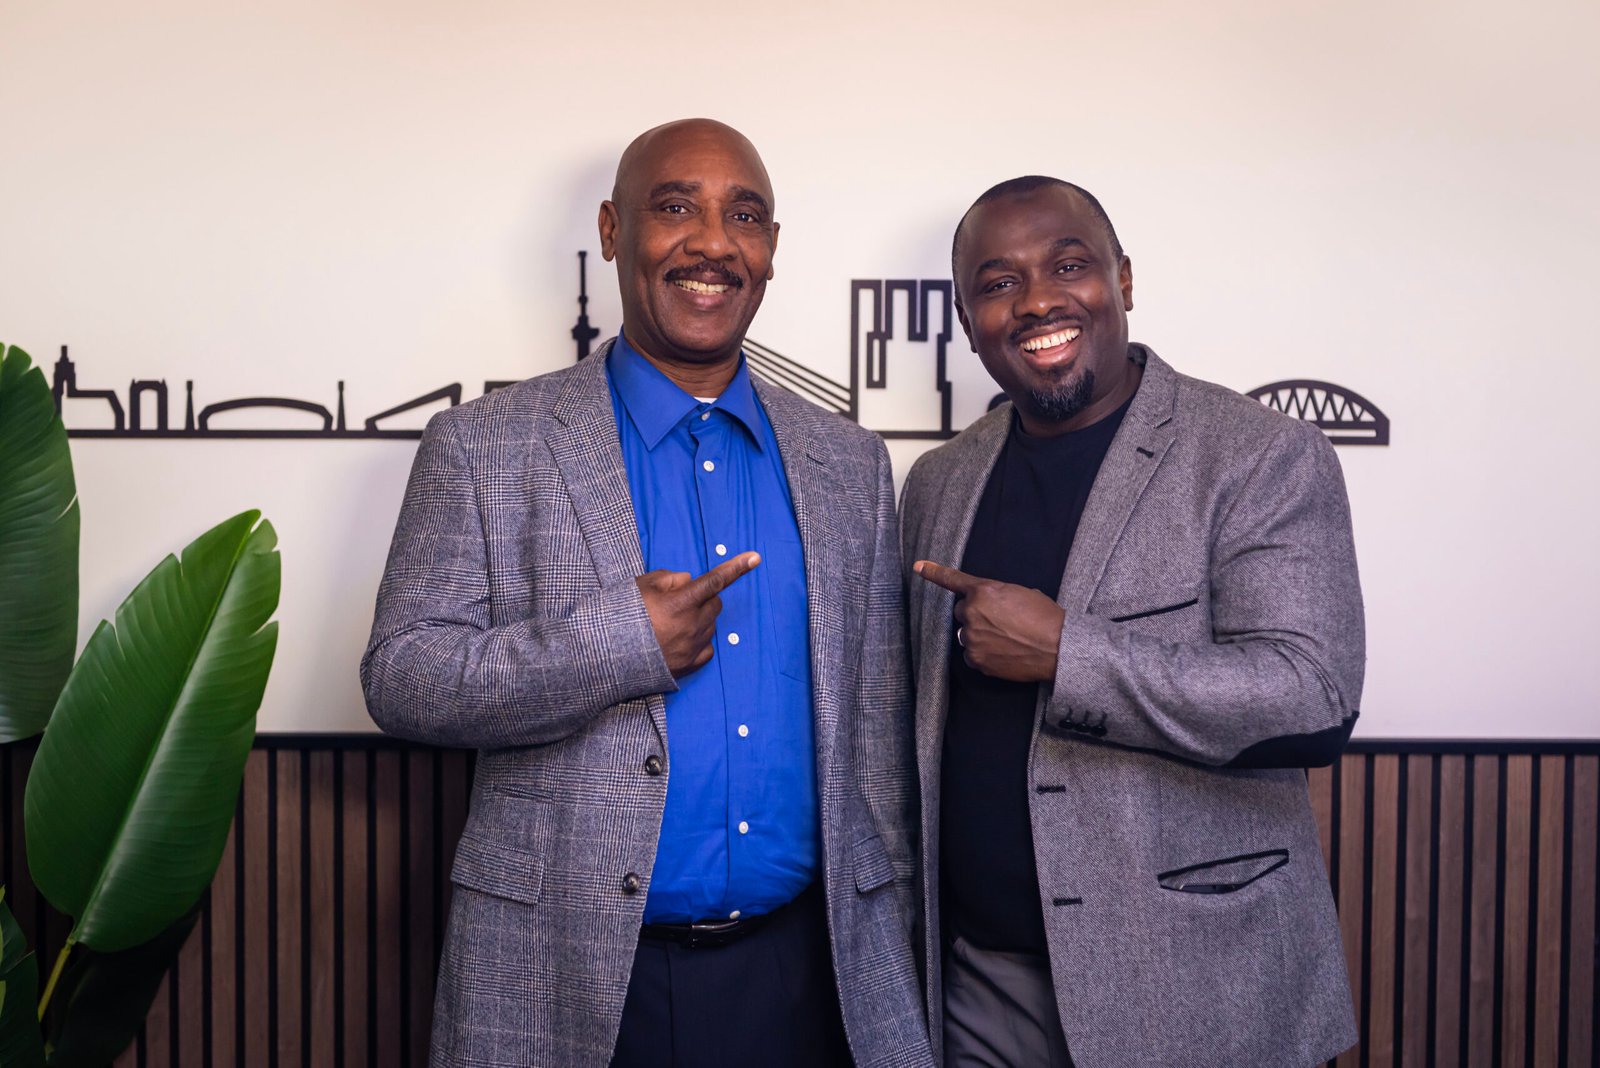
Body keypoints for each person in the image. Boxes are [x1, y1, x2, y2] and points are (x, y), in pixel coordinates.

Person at [362, 118, 931, 1068]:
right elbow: (402, 677)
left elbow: (873, 744)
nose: (712, 242)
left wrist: (893, 959)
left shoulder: (848, 463)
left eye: (743, 216)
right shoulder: (485, 445)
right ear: (612, 229)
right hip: (566, 977)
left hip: (809, 977)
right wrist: (617, 642)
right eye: (675, 208)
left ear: (771, 248)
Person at [901, 175, 1363, 1067]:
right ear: (966, 319)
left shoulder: (1258, 455)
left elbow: (1311, 697)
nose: (1038, 301)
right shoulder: (938, 482)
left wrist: (1065, 653)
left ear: (1122, 278)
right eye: (999, 283)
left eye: (1067, 265)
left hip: (1193, 987)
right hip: (977, 985)